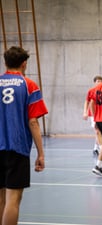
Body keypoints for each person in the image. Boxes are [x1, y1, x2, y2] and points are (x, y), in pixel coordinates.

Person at [0, 46, 48, 224]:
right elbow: (33, 121)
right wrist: (41, 153)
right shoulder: (29, 86)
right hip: (16, 148)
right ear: (24, 63)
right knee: (13, 200)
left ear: (5, 63)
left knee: (1, 199)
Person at [83, 75, 102, 156]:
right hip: (93, 115)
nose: (99, 83)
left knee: (99, 132)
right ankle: (101, 148)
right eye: (98, 81)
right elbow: (87, 102)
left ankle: (95, 148)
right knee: (97, 131)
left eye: (101, 81)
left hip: (101, 114)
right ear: (95, 82)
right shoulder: (91, 91)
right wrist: (85, 112)